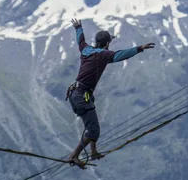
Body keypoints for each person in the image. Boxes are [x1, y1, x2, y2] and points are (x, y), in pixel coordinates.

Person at [66, 18, 155, 168]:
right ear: (107, 43)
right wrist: (139, 48)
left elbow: (80, 40)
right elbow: (121, 55)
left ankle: (93, 152)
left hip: (77, 93)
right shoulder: (104, 55)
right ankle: (74, 155)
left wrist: (78, 27)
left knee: (92, 123)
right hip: (81, 95)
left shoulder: (86, 49)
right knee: (93, 129)